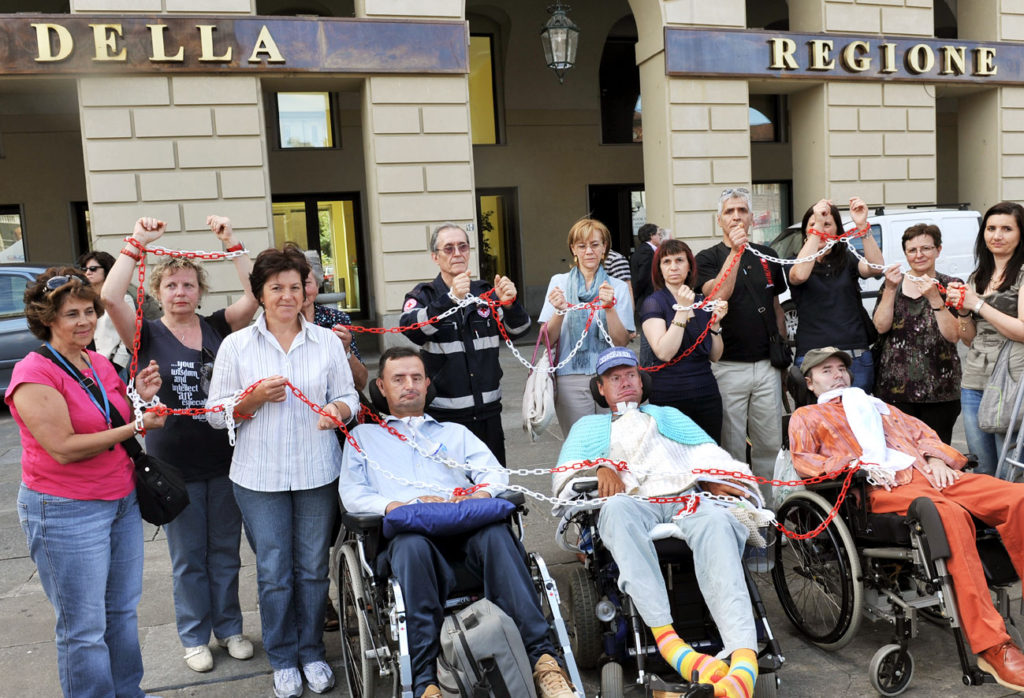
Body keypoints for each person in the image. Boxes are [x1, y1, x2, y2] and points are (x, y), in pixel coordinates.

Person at [340, 347, 575, 698]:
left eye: (416, 378)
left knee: (497, 535)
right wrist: (398, 505)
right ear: (382, 387)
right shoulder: (364, 438)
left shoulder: (454, 433)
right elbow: (352, 493)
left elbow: (493, 473)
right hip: (410, 538)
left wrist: (479, 495)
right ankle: (425, 683)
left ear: (427, 385)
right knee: (412, 548)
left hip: (466, 532)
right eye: (398, 379)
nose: (409, 385)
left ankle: (544, 663)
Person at [789, 346, 1024, 693]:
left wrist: (938, 459)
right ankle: (993, 646)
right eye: (826, 370)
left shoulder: (879, 406)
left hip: (931, 475)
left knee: (1018, 497)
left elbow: (924, 435)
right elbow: (804, 461)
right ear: (809, 383)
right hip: (878, 489)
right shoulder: (807, 416)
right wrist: (857, 466)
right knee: (948, 516)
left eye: (841, 368)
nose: (837, 374)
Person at [552, 347, 760, 698]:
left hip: (683, 499)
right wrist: (600, 468)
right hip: (633, 504)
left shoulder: (669, 416)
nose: (624, 382)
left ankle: (743, 658)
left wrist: (711, 478)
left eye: (630, 375)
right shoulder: (588, 427)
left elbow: (704, 455)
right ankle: (671, 645)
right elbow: (566, 480)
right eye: (614, 378)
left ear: (642, 380)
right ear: (600, 388)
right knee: (615, 509)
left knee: (717, 520)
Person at [102, 216, 260, 673]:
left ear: (200, 291)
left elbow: (255, 295)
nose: (180, 292)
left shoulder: (217, 327)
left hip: (224, 459)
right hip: (172, 465)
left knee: (225, 553)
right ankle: (194, 636)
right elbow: (110, 296)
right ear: (157, 291)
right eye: (171, 285)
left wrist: (231, 241)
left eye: (189, 284)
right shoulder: (144, 332)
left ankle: (229, 628)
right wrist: (136, 241)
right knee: (188, 557)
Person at [206, 248, 359, 698]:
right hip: (259, 477)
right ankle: (282, 657)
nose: (287, 296)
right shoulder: (237, 345)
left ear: (306, 290)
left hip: (316, 472)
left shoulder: (326, 342)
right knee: (274, 571)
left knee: (312, 569)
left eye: (295, 286)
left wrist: (337, 410)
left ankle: (311, 651)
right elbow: (214, 413)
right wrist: (251, 401)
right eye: (276, 288)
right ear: (260, 293)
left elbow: (349, 395)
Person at [9, 268, 166, 698]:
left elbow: (111, 412)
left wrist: (140, 397)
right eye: (71, 314)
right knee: (83, 628)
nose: (85, 321)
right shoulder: (33, 372)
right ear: (47, 320)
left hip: (121, 499)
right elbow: (63, 447)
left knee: (122, 613)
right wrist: (136, 426)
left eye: (89, 311)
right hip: (65, 509)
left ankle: (128, 692)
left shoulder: (95, 361)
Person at [399, 223, 530, 465]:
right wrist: (450, 299)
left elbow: (519, 330)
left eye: (463, 247)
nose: (457, 253)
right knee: (452, 483)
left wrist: (510, 304)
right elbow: (411, 329)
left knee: (492, 482)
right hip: (444, 416)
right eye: (448, 248)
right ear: (435, 257)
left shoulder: (485, 292)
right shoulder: (424, 295)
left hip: (489, 412)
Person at [695, 187, 787, 491]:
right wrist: (735, 252)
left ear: (751, 218)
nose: (736, 217)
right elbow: (717, 296)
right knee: (732, 446)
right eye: (729, 211)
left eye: (742, 211)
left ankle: (770, 510)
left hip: (767, 365)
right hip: (727, 366)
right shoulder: (706, 258)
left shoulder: (768, 255)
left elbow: (776, 307)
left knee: (770, 444)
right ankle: (739, 509)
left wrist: (782, 360)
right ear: (719, 220)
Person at [945, 202, 1024, 476]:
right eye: (991, 228)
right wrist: (963, 311)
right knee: (982, 470)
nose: (997, 235)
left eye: (1006, 229)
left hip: (1012, 380)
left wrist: (977, 305)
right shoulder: (977, 277)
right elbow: (969, 339)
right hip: (974, 380)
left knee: (1009, 472)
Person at [539, 218, 634, 434]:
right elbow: (547, 340)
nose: (589, 251)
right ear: (573, 249)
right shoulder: (559, 283)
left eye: (595, 244)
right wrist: (559, 311)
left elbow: (621, 342)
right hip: (570, 378)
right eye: (582, 246)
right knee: (580, 443)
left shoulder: (618, 287)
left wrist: (609, 308)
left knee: (613, 443)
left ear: (604, 248)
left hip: (611, 375)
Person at [872, 224, 962, 443]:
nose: (919, 255)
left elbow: (954, 335)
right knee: (902, 455)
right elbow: (880, 327)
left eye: (926, 248)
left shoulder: (951, 285)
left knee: (938, 454)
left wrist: (935, 299)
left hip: (940, 391)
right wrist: (890, 289)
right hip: (895, 391)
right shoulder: (893, 283)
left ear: (938, 250)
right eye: (912, 250)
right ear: (905, 254)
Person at [788, 197, 883, 391]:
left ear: (837, 230)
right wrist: (818, 226)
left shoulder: (847, 258)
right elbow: (799, 275)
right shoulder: (795, 261)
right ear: (805, 231)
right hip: (813, 356)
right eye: (814, 224)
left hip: (854, 355)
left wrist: (862, 226)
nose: (821, 229)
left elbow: (875, 268)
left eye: (827, 224)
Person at [640, 238, 728, 441]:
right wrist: (682, 310)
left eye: (679, 260)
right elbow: (664, 352)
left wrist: (716, 325)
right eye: (666, 261)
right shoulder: (654, 303)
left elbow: (715, 355)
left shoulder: (701, 302)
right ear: (659, 269)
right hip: (669, 395)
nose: (673, 267)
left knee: (709, 451)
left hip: (706, 393)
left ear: (689, 266)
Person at [78, 249, 134, 373]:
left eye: (93, 269)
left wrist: (117, 364)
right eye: (85, 269)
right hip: (87, 364)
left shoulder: (123, 299)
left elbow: (130, 334)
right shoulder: (84, 300)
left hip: (112, 365)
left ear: (107, 270)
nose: (88, 272)